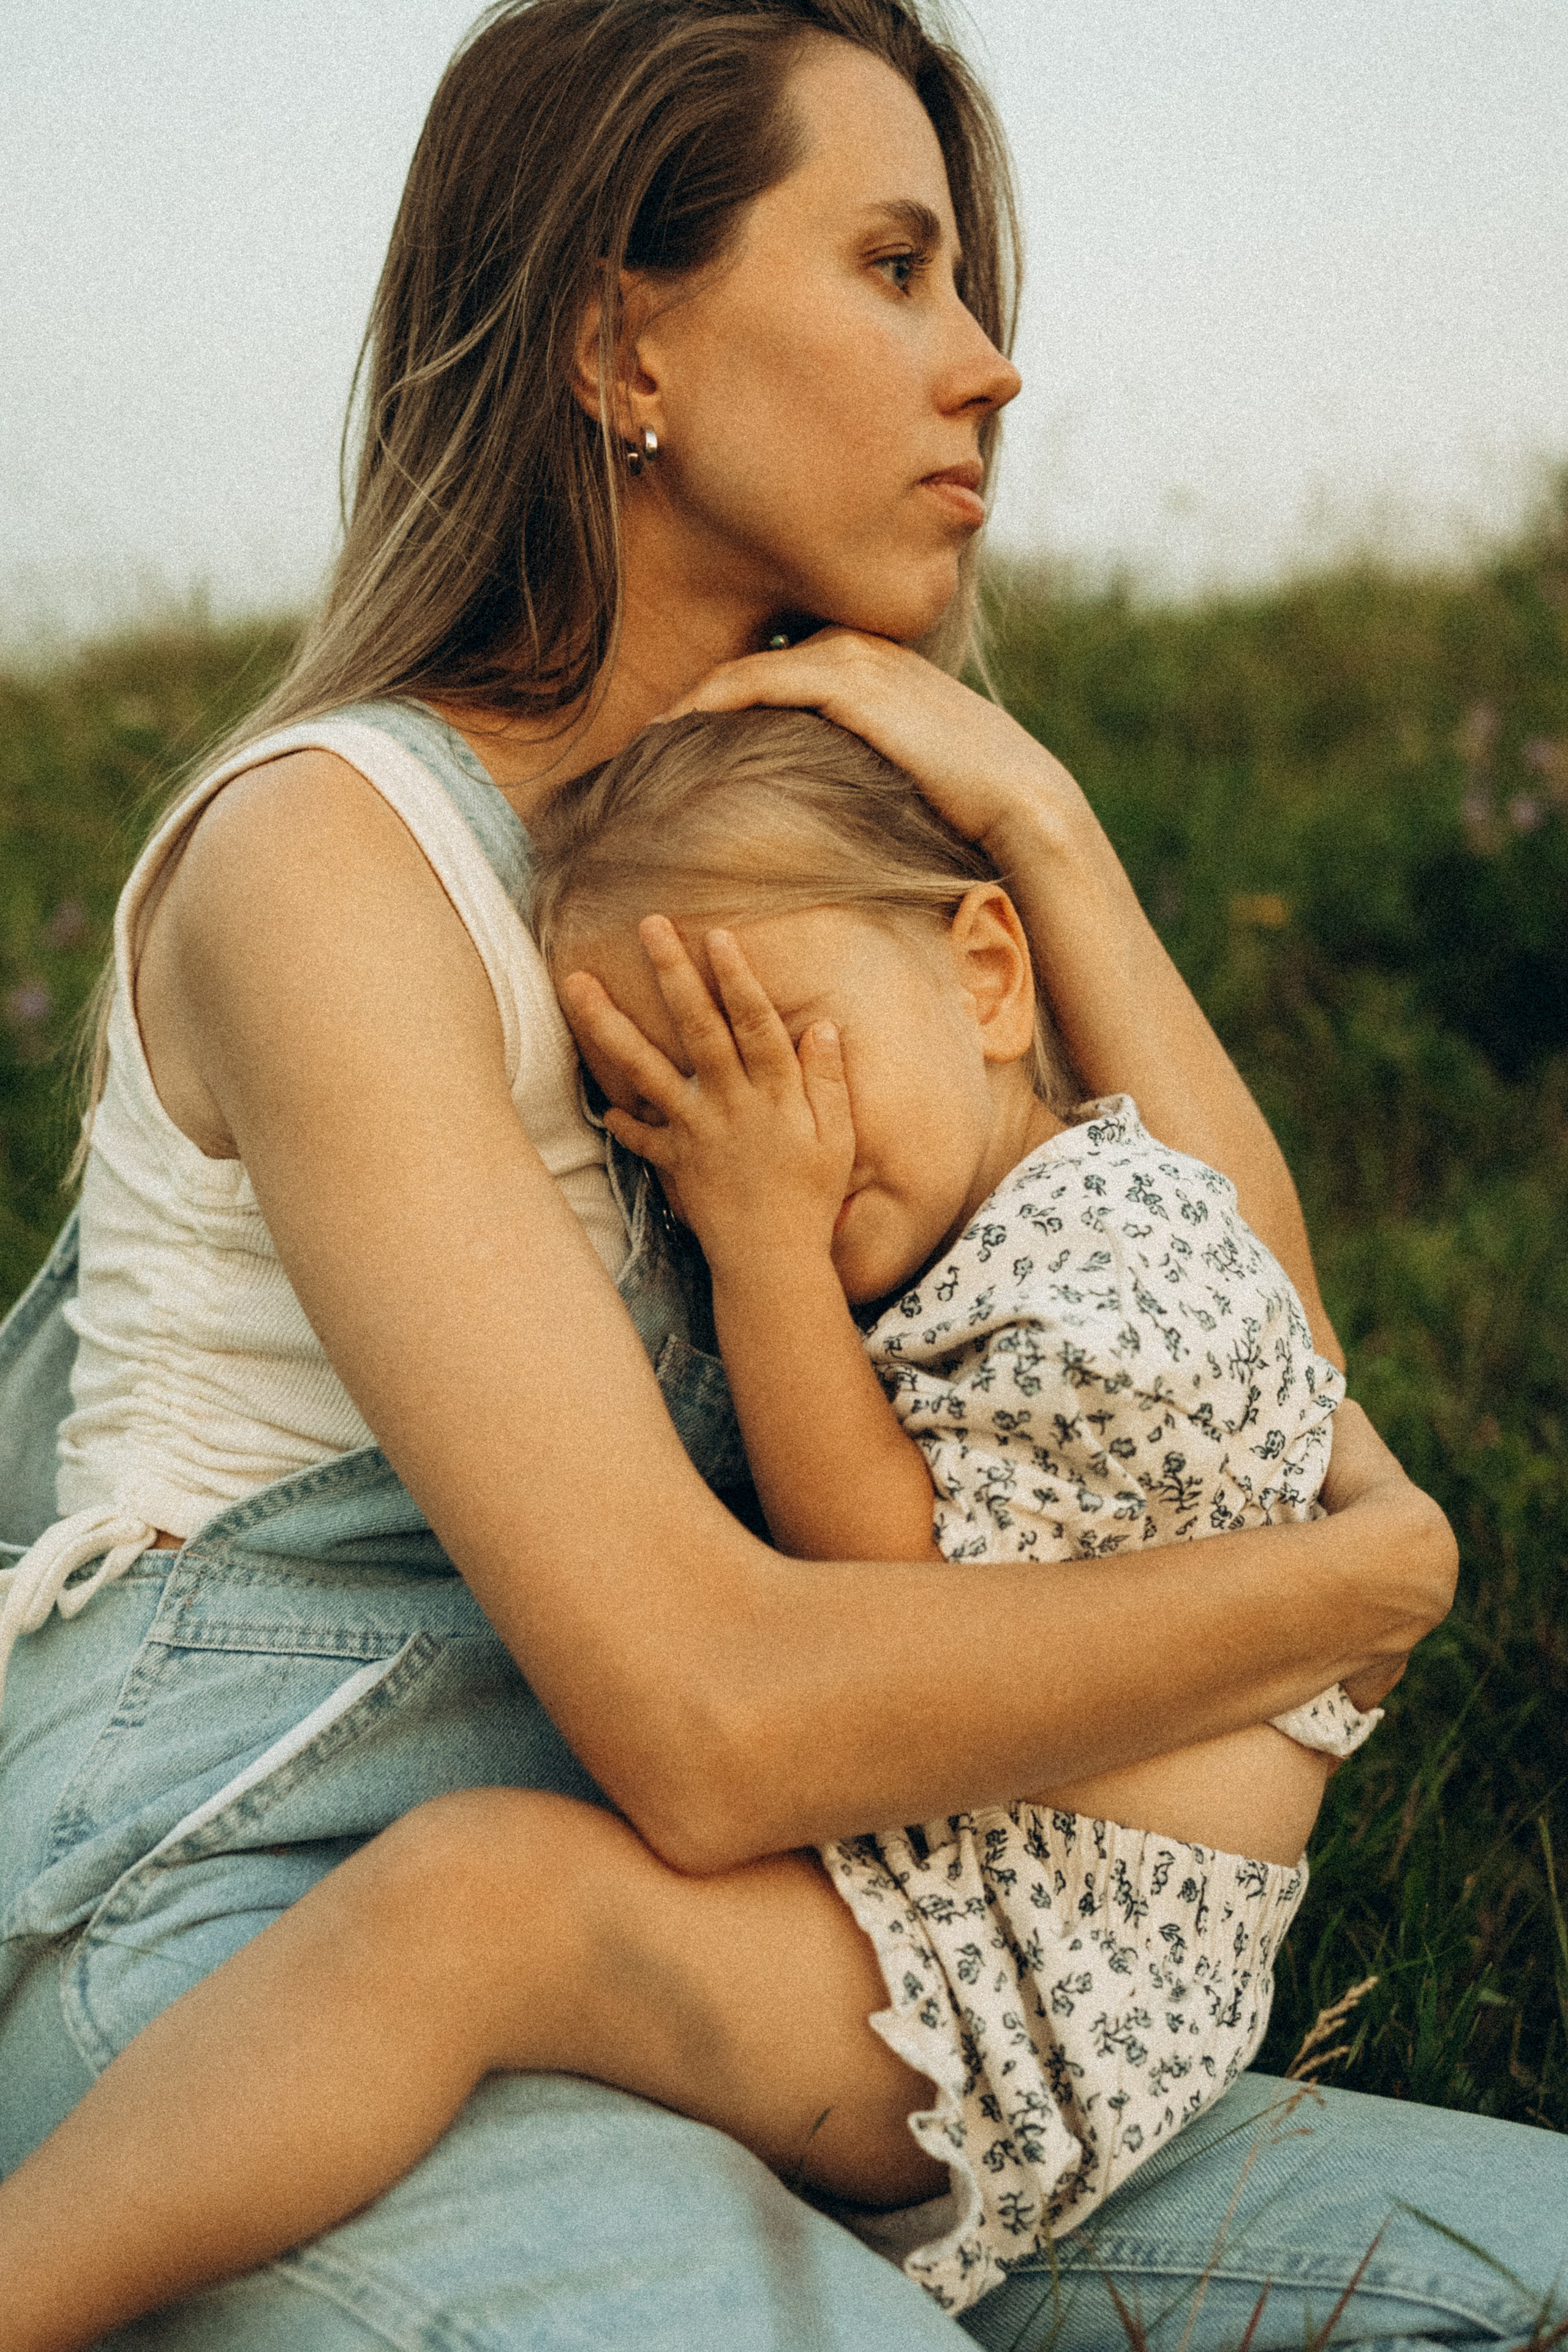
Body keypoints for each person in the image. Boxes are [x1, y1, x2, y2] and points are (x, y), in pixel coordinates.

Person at [0, 4, 1555, 2346]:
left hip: (794, 1967)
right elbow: (711, 1725)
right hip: (255, 1956)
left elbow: (1249, 1334)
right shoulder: (337, 860)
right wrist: (1365, 1582)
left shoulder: (850, 869)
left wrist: (1042, 818)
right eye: (897, 268)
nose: (992, 369)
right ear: (623, 333)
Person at [0, 709, 1395, 2345]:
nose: (750, 1143)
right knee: (478, 1905)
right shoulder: (1041, 1210)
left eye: (779, 1043)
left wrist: (762, 1252)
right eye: (661, 1112)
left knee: (476, 1904)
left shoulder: (1096, 1272)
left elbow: (881, 1599)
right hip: (988, 1927)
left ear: (992, 977)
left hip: (1023, 1976)